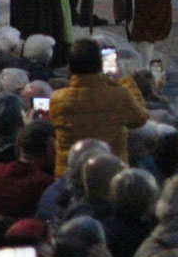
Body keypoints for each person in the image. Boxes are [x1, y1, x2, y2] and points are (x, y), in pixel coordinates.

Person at [50, 39, 149, 176]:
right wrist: (126, 81)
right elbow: (141, 118)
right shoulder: (118, 95)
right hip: (112, 174)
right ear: (100, 65)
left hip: (70, 176)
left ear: (70, 68)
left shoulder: (57, 99)